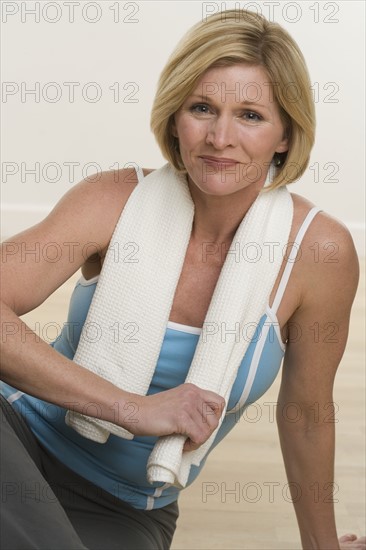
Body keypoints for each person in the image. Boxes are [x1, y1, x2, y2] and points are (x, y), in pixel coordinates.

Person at [0, 8, 364, 550]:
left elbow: (307, 413)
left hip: (126, 507)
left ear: (286, 134)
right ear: (175, 117)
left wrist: (323, 547)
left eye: (250, 116)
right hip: (18, 443)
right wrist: (132, 408)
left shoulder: (320, 253)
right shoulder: (111, 201)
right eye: (202, 108)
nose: (220, 137)